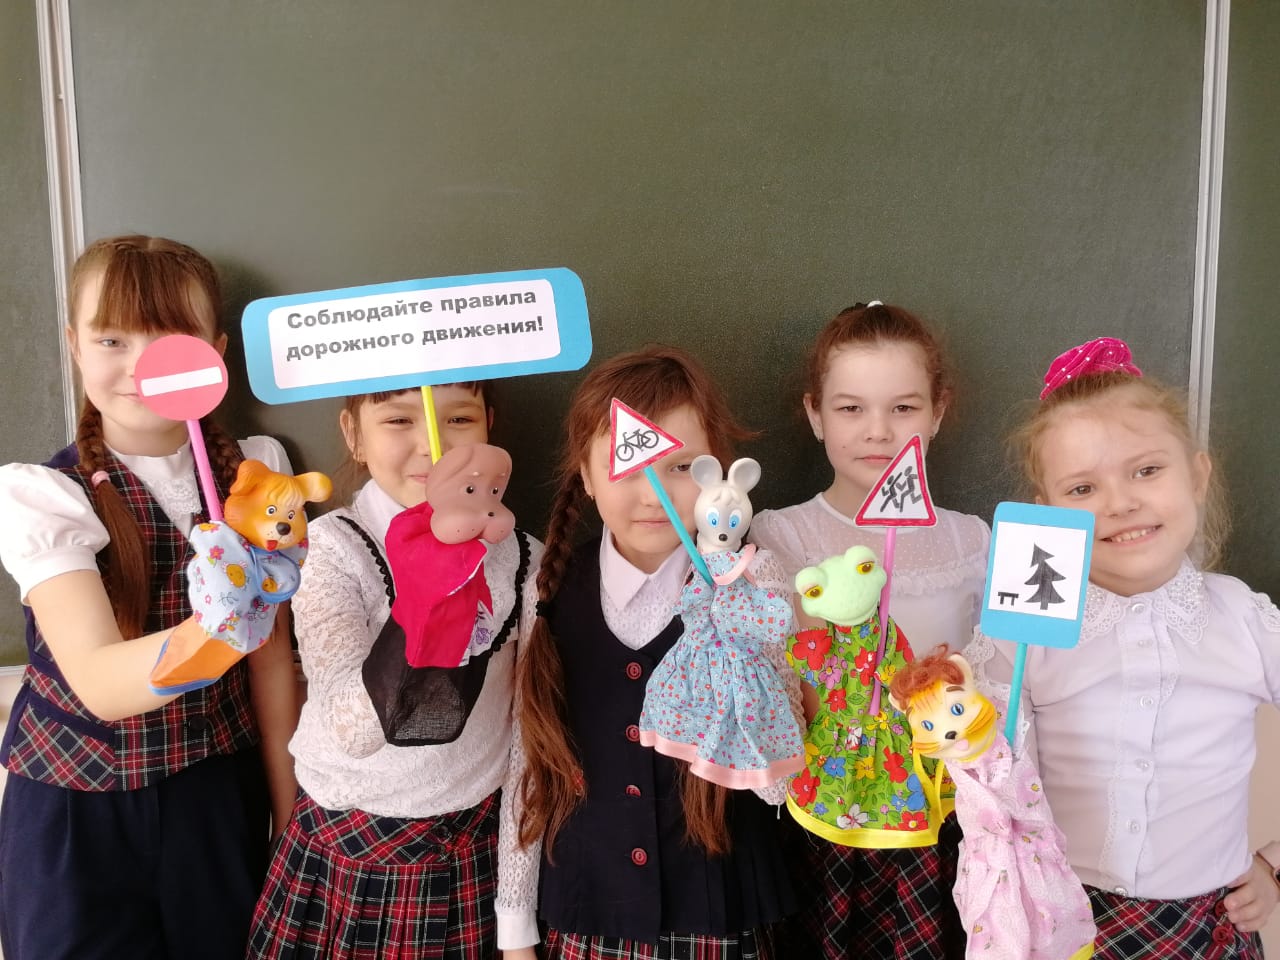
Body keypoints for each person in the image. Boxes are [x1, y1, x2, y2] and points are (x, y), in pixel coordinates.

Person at [0, 235, 298, 960]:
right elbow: (102, 684)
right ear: (74, 345)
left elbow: (272, 665)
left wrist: (291, 818)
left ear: (217, 352)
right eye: (112, 339)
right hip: (77, 811)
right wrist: (217, 625)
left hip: (217, 795)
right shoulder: (41, 495)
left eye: (173, 340)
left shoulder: (258, 474)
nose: (142, 366)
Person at [965, 336, 1280, 958]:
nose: (1120, 503)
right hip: (1060, 919)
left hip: (1210, 927)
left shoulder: (1244, 619)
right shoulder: (1022, 632)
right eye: (1082, 489)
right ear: (1048, 514)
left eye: (1146, 470)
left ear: (1197, 475)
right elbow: (987, 778)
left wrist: (1275, 864)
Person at [511, 345, 798, 960]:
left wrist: (747, 643)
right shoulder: (547, 589)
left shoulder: (754, 583)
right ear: (586, 476)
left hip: (720, 910)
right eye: (628, 465)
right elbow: (527, 767)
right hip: (586, 907)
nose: (653, 495)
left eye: (681, 467)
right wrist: (514, 930)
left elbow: (781, 769)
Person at [246, 382, 542, 960]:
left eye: (459, 419)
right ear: (353, 435)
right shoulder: (330, 548)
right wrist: (428, 592)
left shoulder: (524, 559)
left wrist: (516, 923)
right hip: (344, 855)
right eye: (398, 421)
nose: (433, 445)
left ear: (490, 426)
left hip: (473, 856)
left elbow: (529, 748)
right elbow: (352, 731)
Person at [750, 301, 987, 960]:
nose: (878, 432)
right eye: (851, 408)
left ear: (938, 412)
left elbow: (1004, 684)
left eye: (904, 408)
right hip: (826, 825)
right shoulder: (779, 535)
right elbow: (787, 686)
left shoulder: (974, 541)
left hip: (943, 826)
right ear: (815, 414)